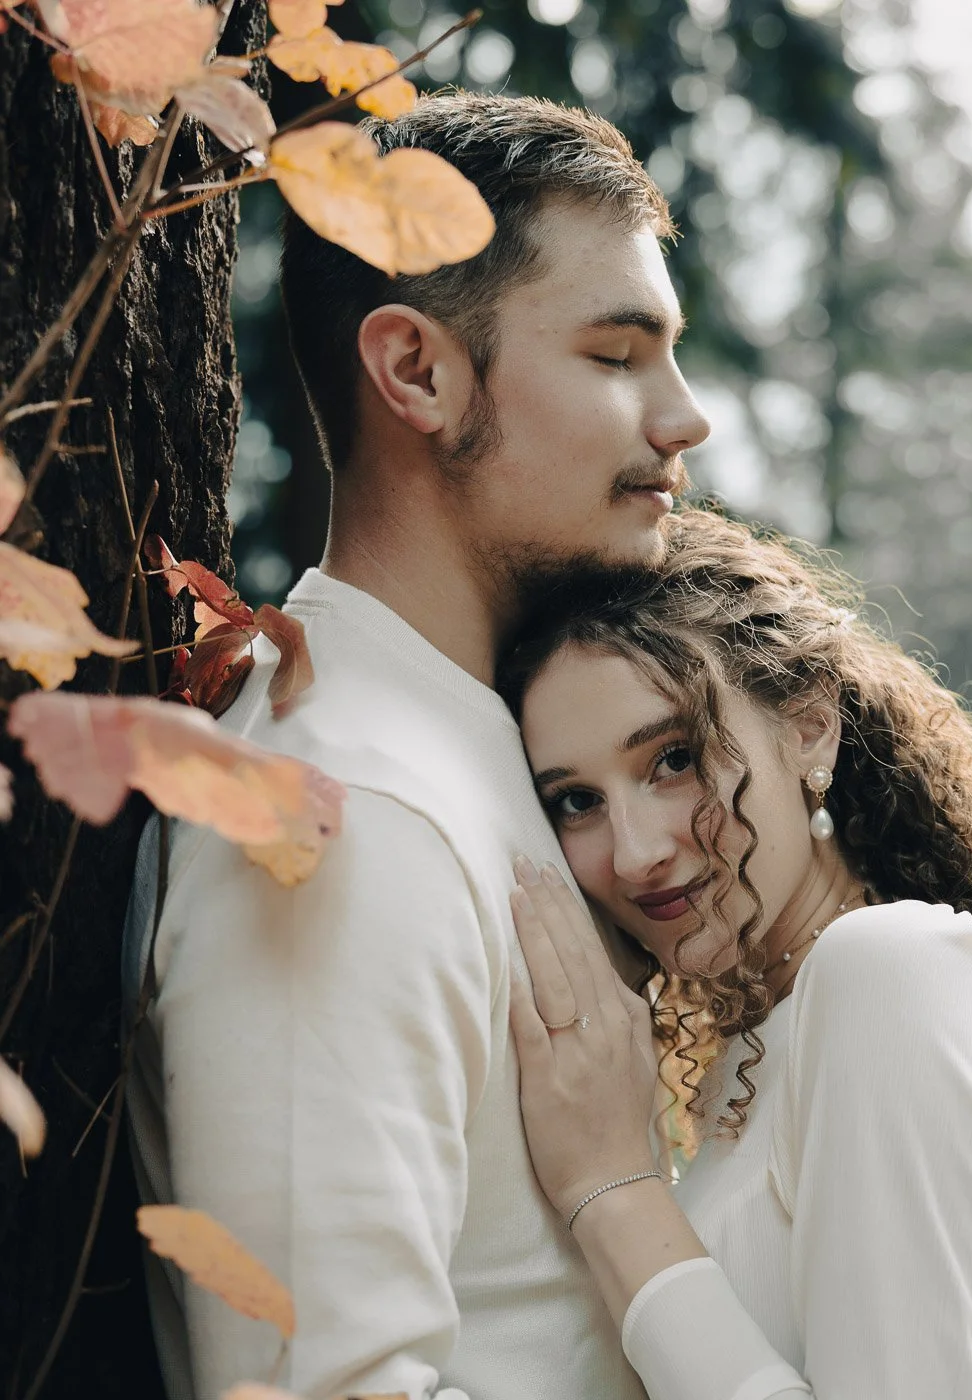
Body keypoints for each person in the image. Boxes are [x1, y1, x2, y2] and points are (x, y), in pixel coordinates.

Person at [122, 92, 710, 1400]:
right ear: (419, 373)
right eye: (619, 356)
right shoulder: (340, 804)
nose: (685, 420)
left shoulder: (471, 744)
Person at [496, 506, 972, 1400]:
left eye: (673, 758)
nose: (634, 852)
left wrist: (616, 1192)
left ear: (809, 729)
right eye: (575, 801)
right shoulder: (757, 1049)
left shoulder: (895, 971)